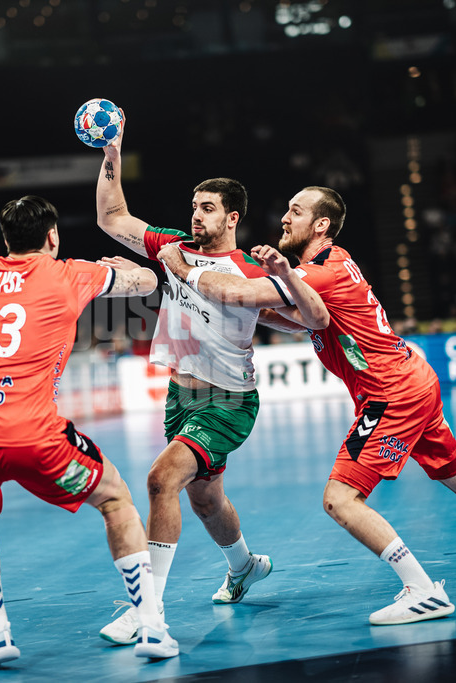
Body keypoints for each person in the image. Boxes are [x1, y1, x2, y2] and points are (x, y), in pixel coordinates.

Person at [158, 186, 456, 626]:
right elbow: (284, 314)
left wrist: (182, 268)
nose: (284, 217)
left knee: (340, 499)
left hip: (390, 395)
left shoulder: (321, 270)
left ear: (320, 225)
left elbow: (241, 294)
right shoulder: (321, 267)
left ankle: (422, 591)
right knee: (455, 473)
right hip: (414, 379)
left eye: (295, 211)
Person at [94, 121, 329, 644]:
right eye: (193, 206)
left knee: (161, 481)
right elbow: (111, 217)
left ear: (232, 216)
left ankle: (147, 610)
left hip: (228, 402)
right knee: (205, 500)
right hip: (181, 397)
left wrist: (279, 315)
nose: (194, 215)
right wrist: (113, 152)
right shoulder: (172, 245)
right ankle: (244, 565)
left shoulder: (248, 266)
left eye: (206, 208)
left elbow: (305, 316)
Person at [0, 177, 178, 667]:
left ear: (8, 241)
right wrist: (126, 269)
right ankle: (153, 628)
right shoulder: (70, 274)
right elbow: (149, 283)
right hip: (34, 437)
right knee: (115, 500)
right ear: (52, 237)